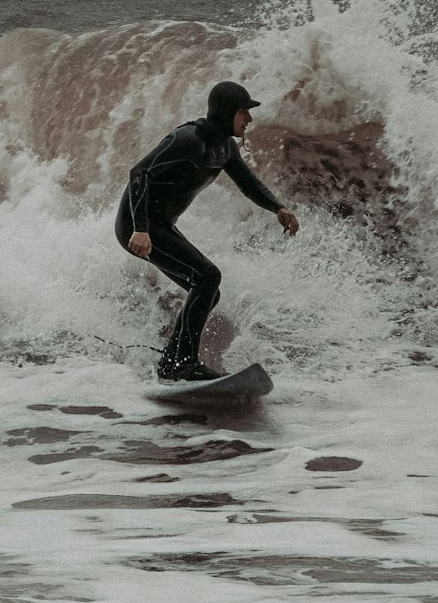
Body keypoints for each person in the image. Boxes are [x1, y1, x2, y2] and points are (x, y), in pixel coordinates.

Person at [115, 80, 300, 381]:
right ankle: (185, 365)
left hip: (160, 225)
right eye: (244, 112)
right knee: (208, 276)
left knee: (207, 291)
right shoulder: (188, 139)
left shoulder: (224, 148)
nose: (249, 120)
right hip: (139, 226)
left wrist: (278, 208)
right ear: (227, 112)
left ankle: (170, 363)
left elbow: (248, 182)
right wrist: (141, 229)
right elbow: (140, 173)